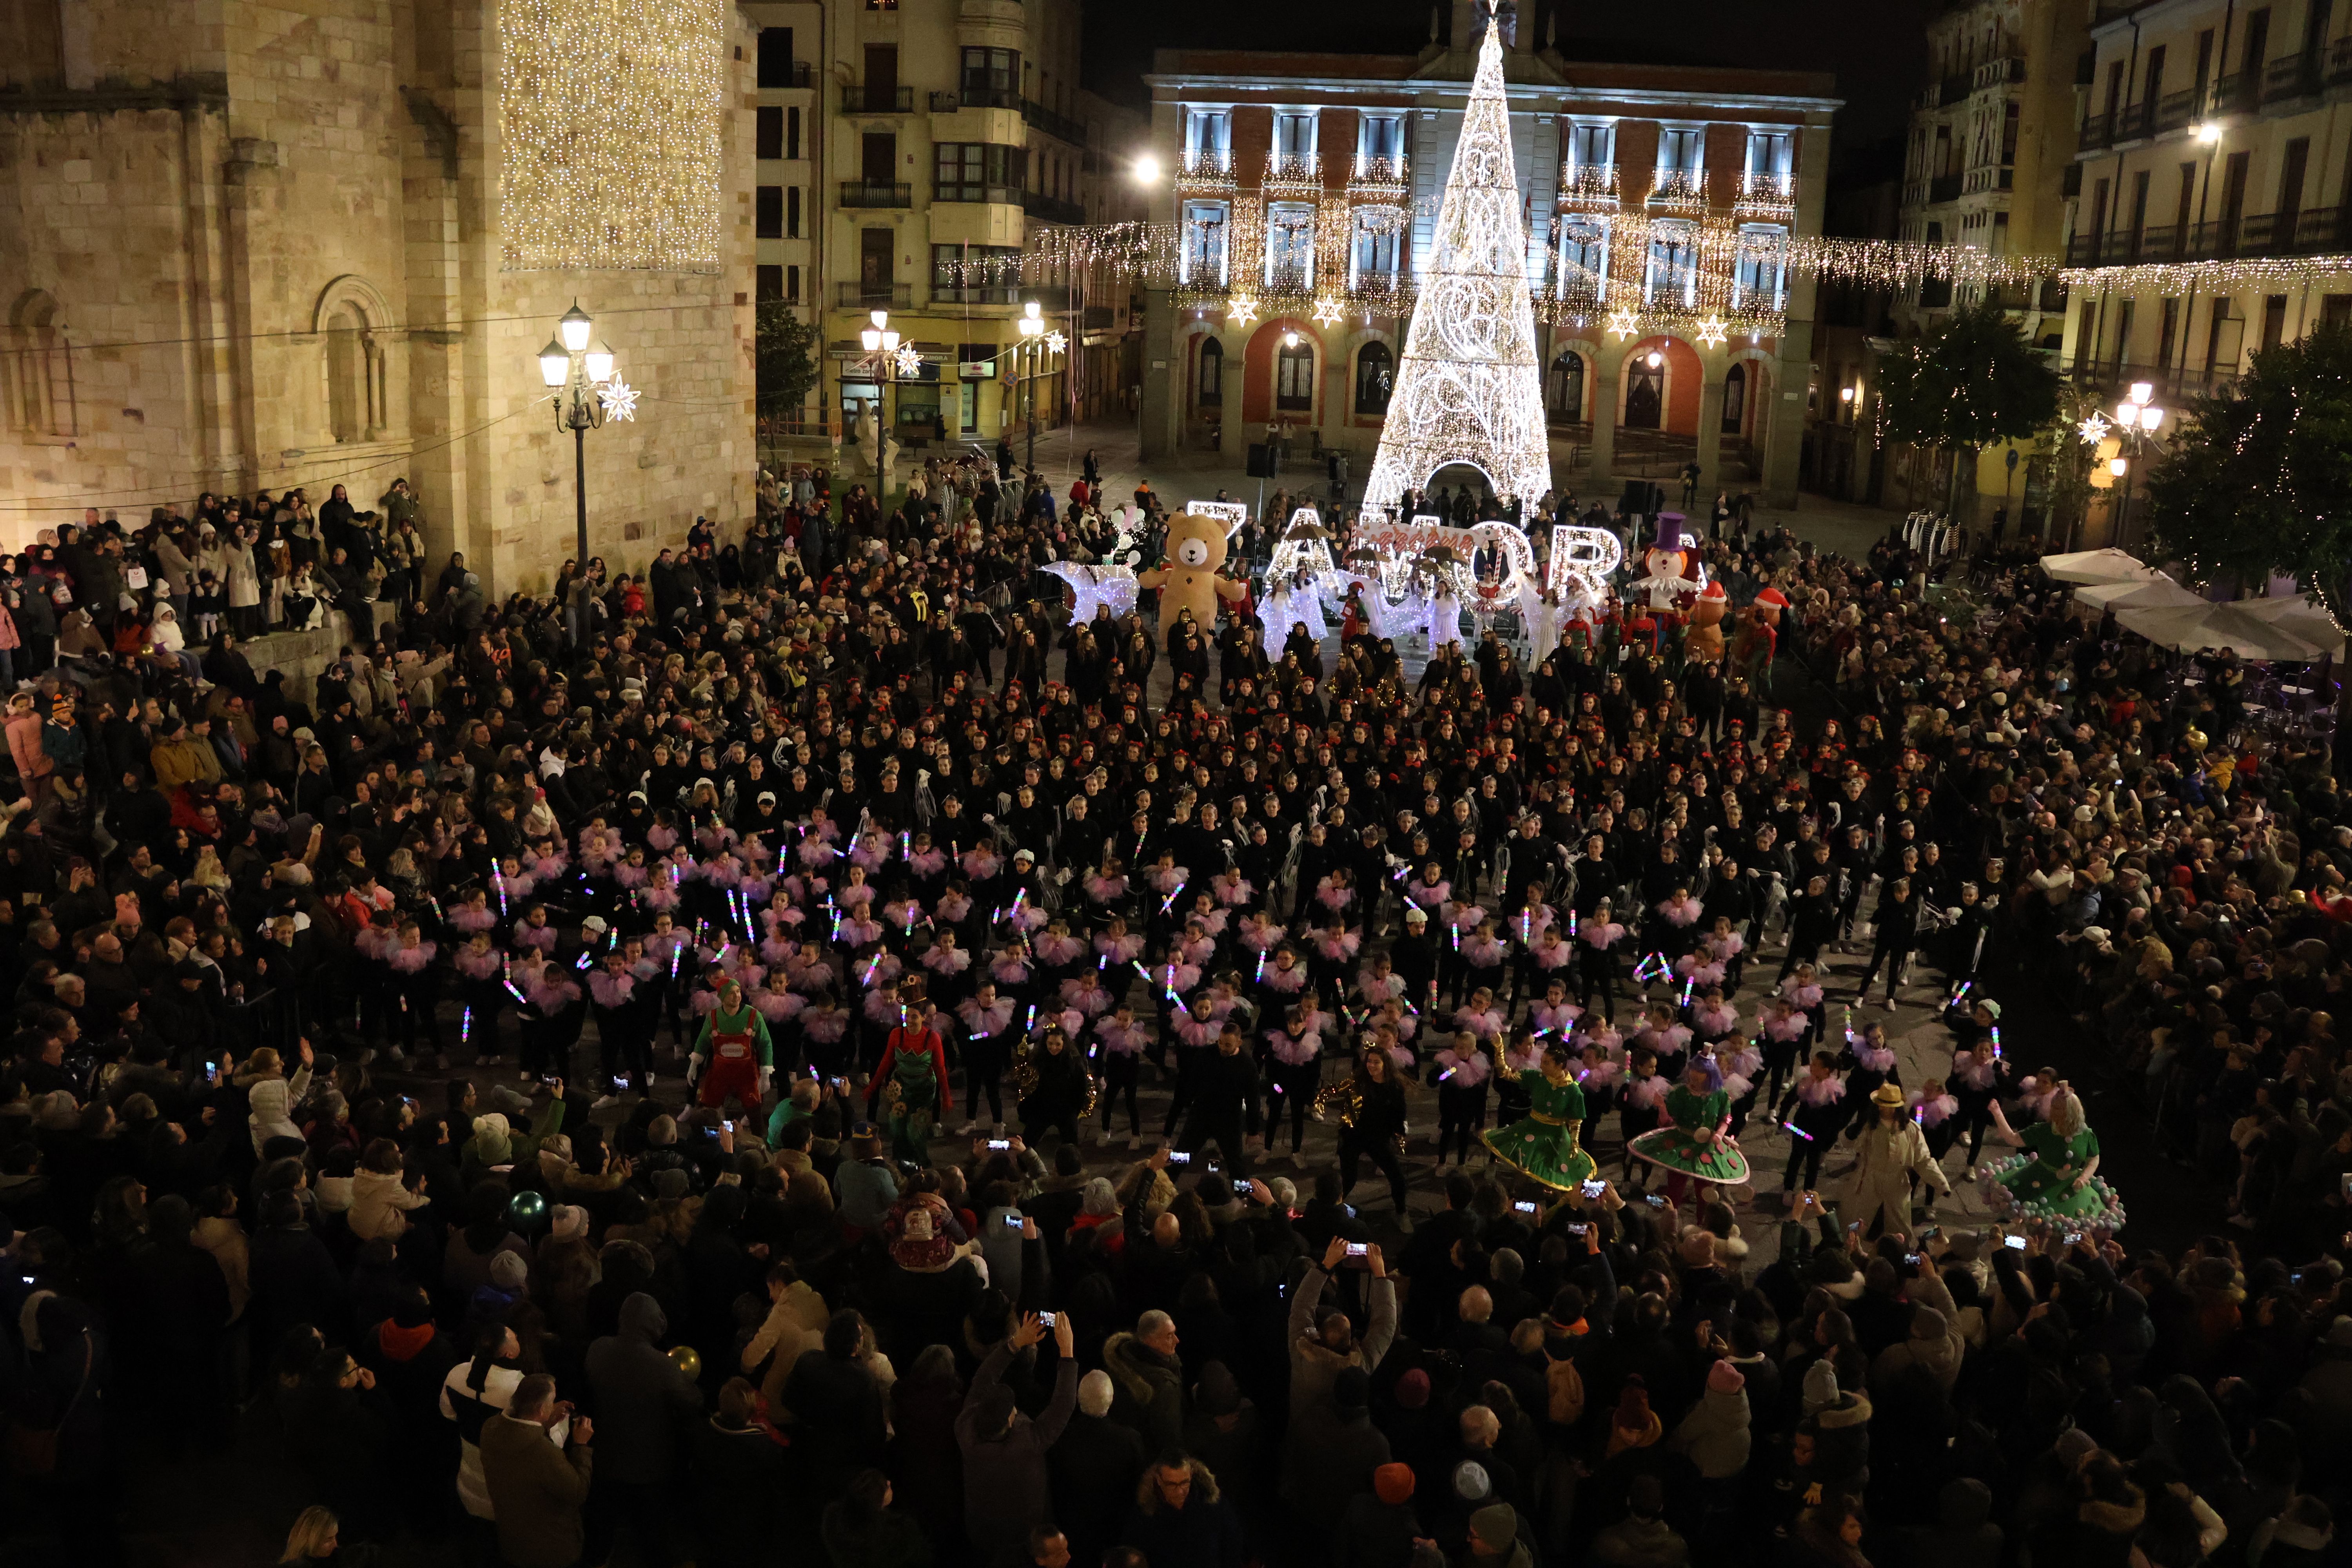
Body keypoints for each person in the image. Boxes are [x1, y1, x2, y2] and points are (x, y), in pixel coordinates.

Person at [479, 1373, 593, 1568]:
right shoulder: (544, 1453)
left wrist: (545, 1423)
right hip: (549, 1548)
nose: (555, 1403)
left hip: (511, 1536)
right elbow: (577, 1491)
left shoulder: (491, 1427)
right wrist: (581, 1446)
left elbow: (524, 1460)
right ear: (541, 1409)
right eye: (552, 1400)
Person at [1980, 1084, 2121, 1224]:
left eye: (2060, 1109)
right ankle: (2013, 1242)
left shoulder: (2086, 1135)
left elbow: (2094, 1159)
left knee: (2066, 1228)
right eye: (2054, 1107)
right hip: (2038, 1180)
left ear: (2073, 1111)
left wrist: (2084, 1177)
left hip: (2070, 1188)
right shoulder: (2044, 1130)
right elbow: (2013, 1139)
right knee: (2024, 1220)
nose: (2054, 1112)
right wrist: (1997, 1113)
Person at [1842, 1080, 1951, 1240]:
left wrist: (1941, 1183)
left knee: (1900, 1225)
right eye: (1881, 1104)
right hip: (1870, 1181)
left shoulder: (1911, 1130)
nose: (1882, 1108)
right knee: (1859, 1220)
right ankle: (1852, 1248)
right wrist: (1851, 1134)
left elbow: (1923, 1160)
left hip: (1897, 1184)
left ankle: (1899, 1253)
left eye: (1887, 1105)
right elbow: (1855, 1146)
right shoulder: (1870, 1126)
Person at [1483, 1041, 1597, 1191]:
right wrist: (1499, 1051)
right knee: (1523, 1165)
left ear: (1560, 1066)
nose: (1541, 1066)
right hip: (1532, 1127)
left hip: (1556, 1135)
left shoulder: (1573, 1092)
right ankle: (1516, 1197)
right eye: (1542, 1062)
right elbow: (1506, 1074)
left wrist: (1575, 1144)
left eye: (1547, 1063)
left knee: (1553, 1175)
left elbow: (1576, 1121)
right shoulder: (1536, 1078)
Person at [1123, 1452, 1245, 1568]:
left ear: (1191, 1475)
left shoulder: (1211, 1503)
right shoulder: (1146, 1513)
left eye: (1185, 1483)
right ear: (1159, 1480)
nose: (1180, 1492)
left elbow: (1232, 1542)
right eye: (1172, 1484)